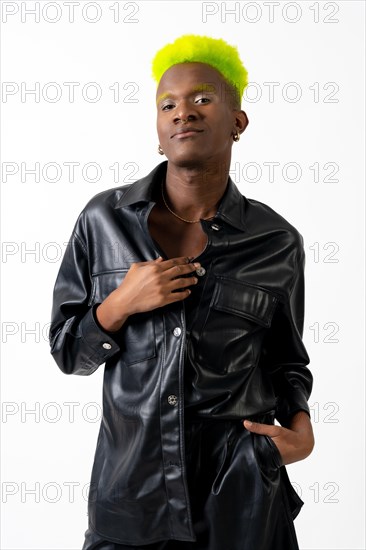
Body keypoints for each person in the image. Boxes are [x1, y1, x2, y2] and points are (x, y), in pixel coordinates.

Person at [50, 35, 314, 550]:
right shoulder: (103, 221)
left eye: (202, 99)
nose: (182, 113)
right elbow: (67, 351)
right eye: (167, 104)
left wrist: (301, 430)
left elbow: (286, 362)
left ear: (238, 122)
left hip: (243, 502)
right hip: (129, 500)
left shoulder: (277, 241)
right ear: (156, 131)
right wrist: (118, 304)